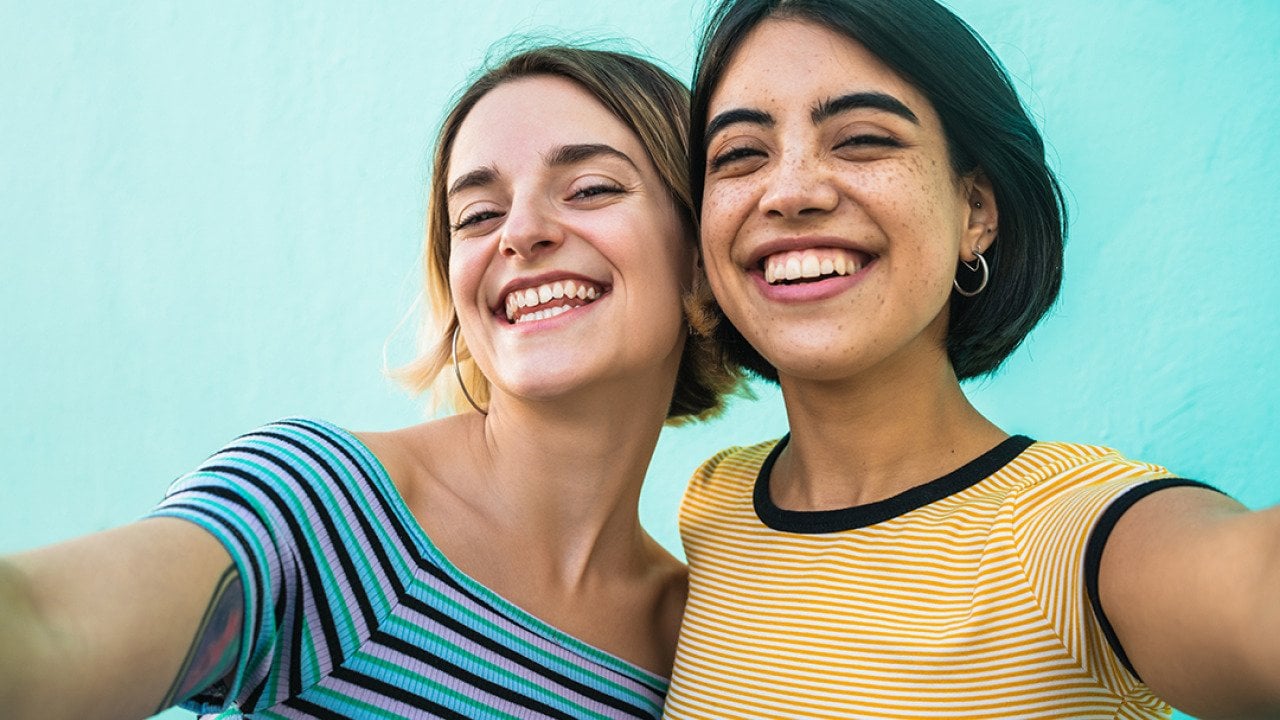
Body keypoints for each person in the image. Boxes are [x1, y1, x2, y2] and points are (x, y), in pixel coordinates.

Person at [0, 45, 737, 720]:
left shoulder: (705, 644)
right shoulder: (323, 507)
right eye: (478, 214)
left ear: (702, 260)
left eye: (590, 189)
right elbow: (46, 629)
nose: (519, 231)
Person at [663, 1, 1280, 718]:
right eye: (739, 155)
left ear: (976, 211)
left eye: (862, 139)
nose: (792, 191)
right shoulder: (714, 505)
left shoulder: (1076, 532)